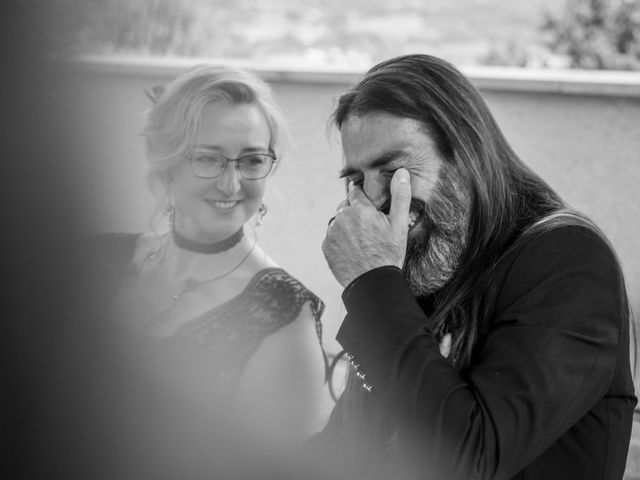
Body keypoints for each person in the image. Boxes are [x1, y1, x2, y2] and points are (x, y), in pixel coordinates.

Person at [309, 54, 636, 480]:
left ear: (465, 156)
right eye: (356, 180)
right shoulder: (429, 263)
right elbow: (348, 448)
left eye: (394, 170)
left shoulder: (567, 259)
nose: (371, 200)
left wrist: (371, 281)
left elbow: (469, 459)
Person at [99, 64, 328, 469]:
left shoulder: (282, 314)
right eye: (209, 159)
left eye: (252, 160)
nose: (231, 184)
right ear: (165, 161)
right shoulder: (100, 258)